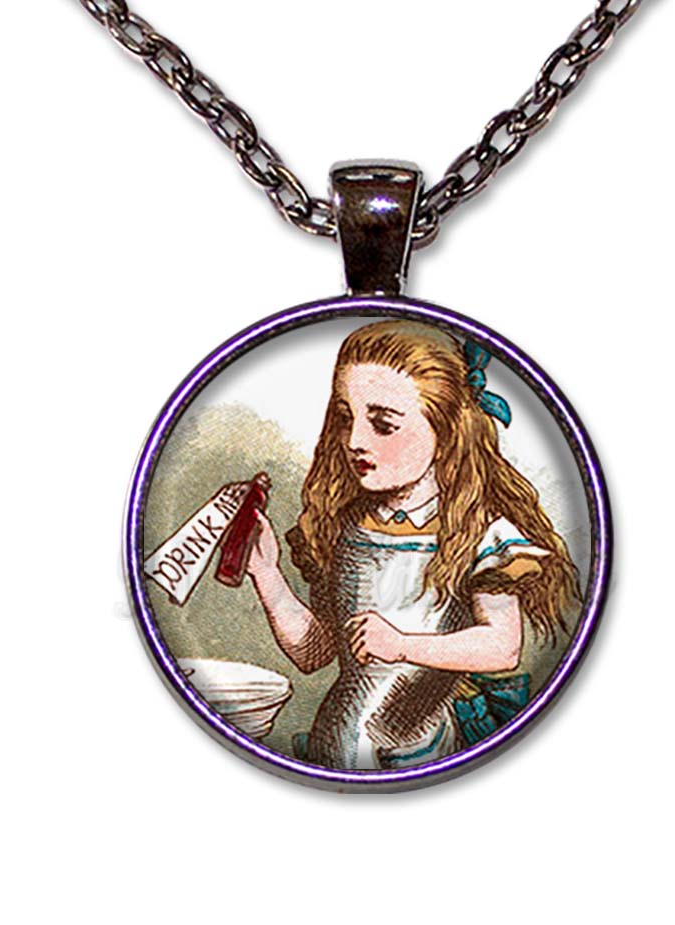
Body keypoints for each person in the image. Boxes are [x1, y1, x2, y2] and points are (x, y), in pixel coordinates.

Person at [246, 320, 580, 770]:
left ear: (446, 431)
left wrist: (403, 644)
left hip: (421, 755)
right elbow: (314, 652)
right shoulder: (343, 528)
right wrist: (266, 572)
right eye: (345, 419)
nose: (354, 441)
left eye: (383, 424)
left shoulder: (482, 535)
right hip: (335, 746)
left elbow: (502, 647)